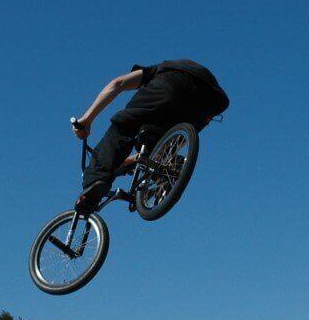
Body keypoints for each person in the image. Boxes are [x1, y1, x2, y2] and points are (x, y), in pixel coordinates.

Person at [70, 60, 230, 212]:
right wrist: (132, 160)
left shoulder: (152, 71)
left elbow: (117, 84)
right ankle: (168, 167)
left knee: (123, 128)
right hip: (210, 103)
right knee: (157, 143)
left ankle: (95, 182)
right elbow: (179, 138)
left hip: (172, 81)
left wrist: (87, 120)